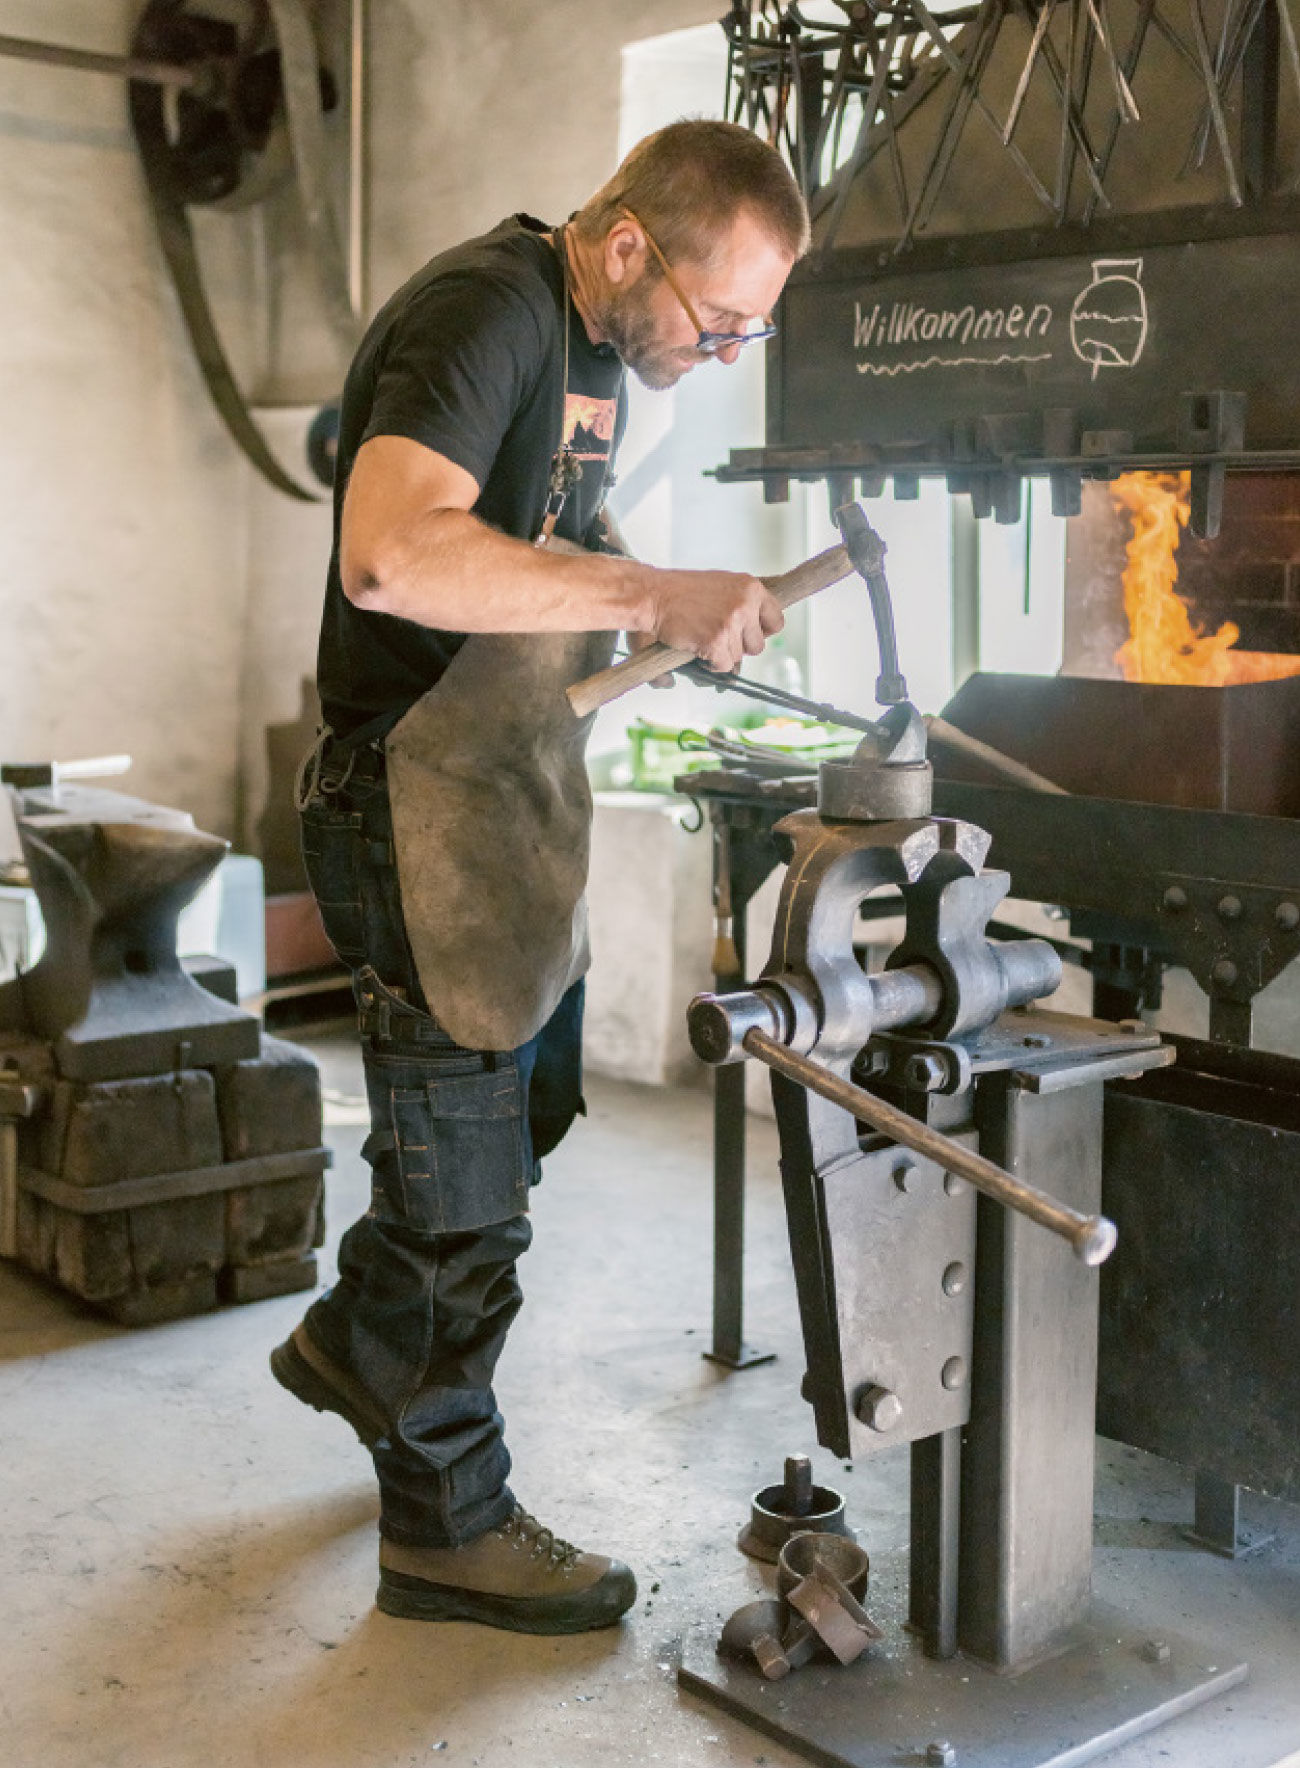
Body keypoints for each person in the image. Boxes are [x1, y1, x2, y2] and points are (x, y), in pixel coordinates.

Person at [271, 120, 810, 1637]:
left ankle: (358, 1343)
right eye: (719, 326)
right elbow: (391, 555)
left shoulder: (595, 346)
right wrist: (653, 587)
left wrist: (656, 618)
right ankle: (445, 1521)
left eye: (749, 336)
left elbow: (536, 539)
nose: (718, 358)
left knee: (534, 1108)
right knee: (467, 1205)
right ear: (627, 243)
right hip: (410, 801)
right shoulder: (487, 311)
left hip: (502, 791)